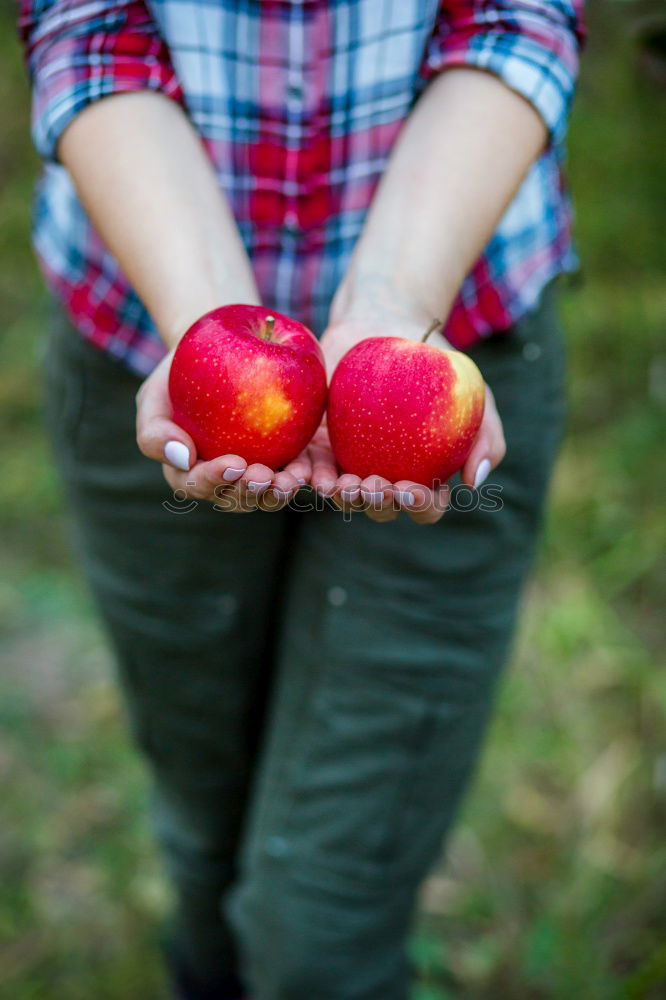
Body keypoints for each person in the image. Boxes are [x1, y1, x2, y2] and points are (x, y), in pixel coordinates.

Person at [18, 1, 585, 998]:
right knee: (206, 826)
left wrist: (394, 307)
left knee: (323, 918)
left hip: (461, 327)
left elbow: (517, 20)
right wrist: (207, 330)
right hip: (144, 338)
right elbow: (87, 26)